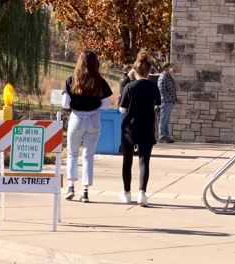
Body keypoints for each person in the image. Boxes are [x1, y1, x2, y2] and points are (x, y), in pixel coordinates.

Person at [61, 49, 113, 203]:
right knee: (88, 155)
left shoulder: (71, 80)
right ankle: (85, 190)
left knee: (72, 153)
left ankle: (71, 186)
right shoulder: (100, 82)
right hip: (94, 119)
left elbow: (65, 103)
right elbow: (106, 106)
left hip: (77, 117)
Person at [119, 52, 161, 207]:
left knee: (127, 160)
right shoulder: (153, 87)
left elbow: (122, 110)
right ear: (149, 71)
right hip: (146, 126)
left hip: (130, 127)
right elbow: (158, 104)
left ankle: (126, 193)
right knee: (144, 161)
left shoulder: (129, 87)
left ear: (134, 71)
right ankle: (142, 193)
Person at [157, 62, 177, 143]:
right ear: (166, 68)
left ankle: (166, 136)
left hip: (170, 101)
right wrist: (170, 98)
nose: (171, 69)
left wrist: (173, 99)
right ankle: (162, 136)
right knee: (163, 119)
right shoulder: (163, 77)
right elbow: (162, 91)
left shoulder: (168, 76)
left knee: (166, 120)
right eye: (169, 67)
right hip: (165, 101)